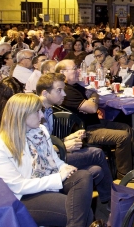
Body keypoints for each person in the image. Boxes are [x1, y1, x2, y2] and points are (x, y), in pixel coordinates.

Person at [0, 93, 96, 227]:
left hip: (47, 179)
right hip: (25, 196)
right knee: (85, 213)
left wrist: (64, 167)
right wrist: (58, 178)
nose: (42, 116)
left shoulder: (40, 130)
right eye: (37, 112)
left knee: (84, 176)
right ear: (22, 115)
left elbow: (54, 159)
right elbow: (18, 186)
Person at [56, 60, 134, 179]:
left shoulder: (75, 86)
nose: (78, 71)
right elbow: (92, 107)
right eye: (74, 68)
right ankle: (124, 174)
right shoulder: (67, 91)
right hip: (85, 131)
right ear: (63, 72)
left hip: (94, 123)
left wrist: (92, 98)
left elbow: (92, 96)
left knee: (126, 127)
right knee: (122, 136)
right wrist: (92, 99)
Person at [37, 73, 112, 215]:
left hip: (54, 156)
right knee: (96, 153)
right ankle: (110, 200)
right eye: (59, 90)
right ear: (45, 93)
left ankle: (102, 203)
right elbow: (37, 151)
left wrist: (67, 139)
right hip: (48, 163)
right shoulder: (33, 113)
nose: (64, 94)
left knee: (96, 169)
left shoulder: (48, 109)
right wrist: (64, 146)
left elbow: (46, 142)